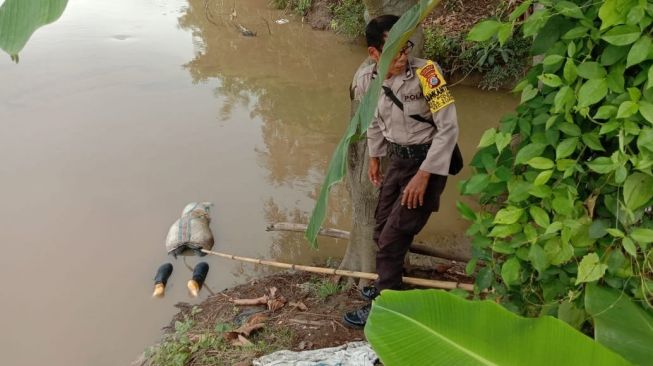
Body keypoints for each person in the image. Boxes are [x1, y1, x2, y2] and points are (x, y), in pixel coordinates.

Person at [343, 14, 459, 328]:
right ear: (374, 55)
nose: (404, 56)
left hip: (428, 163)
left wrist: (424, 175)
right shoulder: (367, 80)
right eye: (395, 50)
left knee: (393, 238)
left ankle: (387, 306)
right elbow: (374, 121)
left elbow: (448, 130)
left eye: (406, 47)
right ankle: (392, 283)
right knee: (381, 230)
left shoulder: (428, 74)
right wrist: (375, 158)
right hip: (397, 162)